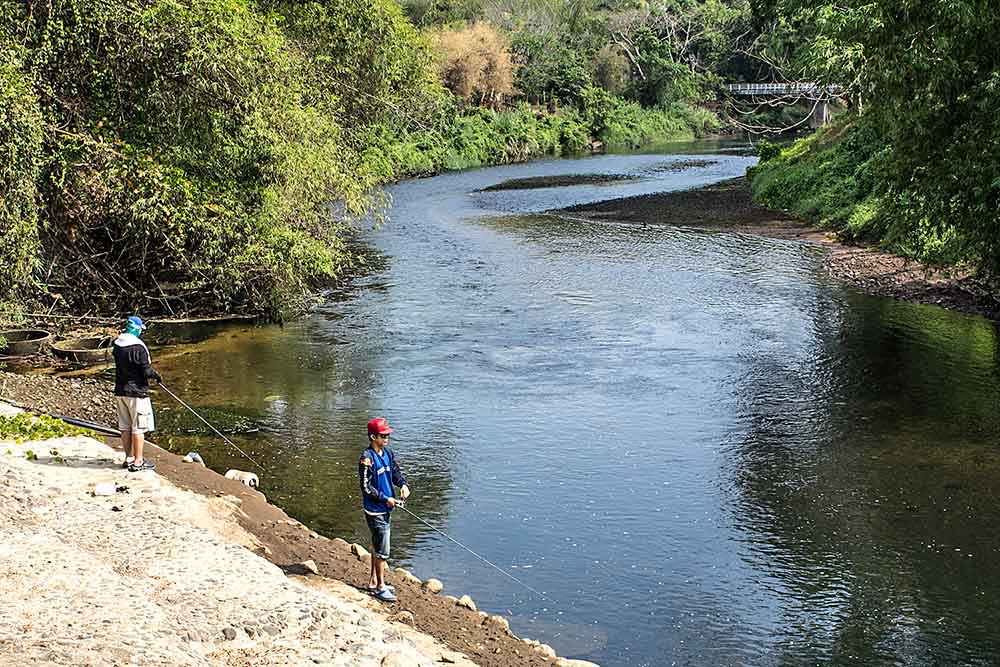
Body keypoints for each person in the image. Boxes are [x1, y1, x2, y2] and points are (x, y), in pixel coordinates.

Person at [358, 417, 410, 602]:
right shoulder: (367, 459)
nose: (387, 437)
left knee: (378, 546)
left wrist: (403, 484)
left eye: (387, 434)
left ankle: (373, 582)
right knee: (382, 551)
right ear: (373, 436)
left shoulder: (387, 453)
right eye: (383, 435)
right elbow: (365, 487)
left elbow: (395, 472)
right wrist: (385, 498)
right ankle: (380, 587)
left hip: (386, 508)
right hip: (375, 510)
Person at [112, 315, 161, 472]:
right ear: (137, 329)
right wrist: (157, 376)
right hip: (137, 393)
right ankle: (139, 462)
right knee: (138, 427)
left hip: (120, 391)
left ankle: (129, 458)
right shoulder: (138, 347)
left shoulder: (117, 344)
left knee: (125, 426)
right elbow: (146, 371)